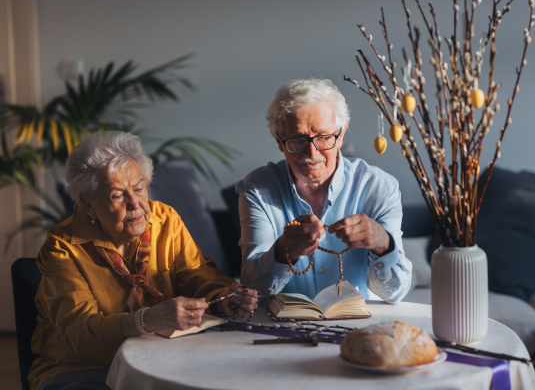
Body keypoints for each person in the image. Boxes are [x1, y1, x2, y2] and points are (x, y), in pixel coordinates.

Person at [29, 131, 259, 390]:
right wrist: (146, 320)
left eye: (139, 188)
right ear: (89, 205)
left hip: (162, 356)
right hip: (82, 367)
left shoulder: (165, 219)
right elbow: (79, 333)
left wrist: (225, 298)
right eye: (117, 195)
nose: (135, 204)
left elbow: (198, 275)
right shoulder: (62, 248)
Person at [238, 78, 412, 304]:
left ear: (340, 135)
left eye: (323, 137)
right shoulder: (257, 189)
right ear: (279, 141)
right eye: (297, 140)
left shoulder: (379, 188)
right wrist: (282, 251)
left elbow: (395, 294)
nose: (311, 152)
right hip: (283, 330)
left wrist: (383, 244)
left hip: (356, 328)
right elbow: (251, 291)